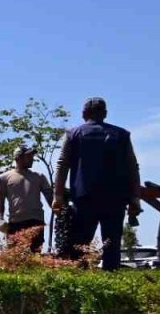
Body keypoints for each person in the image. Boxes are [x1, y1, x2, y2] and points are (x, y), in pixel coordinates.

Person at [53, 97, 142, 271]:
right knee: (112, 245)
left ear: (84, 114)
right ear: (105, 114)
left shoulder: (73, 134)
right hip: (115, 198)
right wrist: (135, 197)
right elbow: (133, 167)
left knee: (80, 246)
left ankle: (80, 284)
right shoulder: (122, 135)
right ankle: (111, 283)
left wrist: (58, 196)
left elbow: (62, 164)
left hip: (84, 197)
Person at [0, 144, 54, 253]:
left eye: (32, 156)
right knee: (15, 256)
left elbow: (50, 197)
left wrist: (60, 210)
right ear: (18, 158)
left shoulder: (39, 176)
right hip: (15, 222)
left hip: (36, 220)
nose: (32, 159)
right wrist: (0, 219)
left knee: (36, 254)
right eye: (28, 156)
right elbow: (0, 199)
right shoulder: (4, 178)